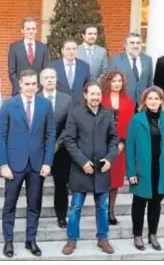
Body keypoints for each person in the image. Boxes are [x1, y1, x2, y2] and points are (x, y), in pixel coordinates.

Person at [0, 69, 55, 257]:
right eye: (27, 84)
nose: (31, 87)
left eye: (33, 84)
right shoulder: (9, 104)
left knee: (34, 204)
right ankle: (8, 241)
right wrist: (3, 164)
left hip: (37, 163)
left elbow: (50, 134)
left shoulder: (45, 105)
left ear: (37, 85)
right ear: (20, 84)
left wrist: (48, 162)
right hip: (14, 163)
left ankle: (31, 240)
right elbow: (1, 135)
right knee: (10, 204)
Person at [62, 81, 119, 255]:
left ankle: (103, 238)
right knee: (76, 207)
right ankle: (72, 239)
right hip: (81, 169)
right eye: (92, 94)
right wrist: (82, 162)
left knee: (102, 206)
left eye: (98, 94)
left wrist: (110, 158)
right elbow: (69, 140)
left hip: (101, 169)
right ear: (85, 95)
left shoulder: (107, 113)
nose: (95, 97)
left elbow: (114, 139)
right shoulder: (75, 113)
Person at [126, 86, 164, 251]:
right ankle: (137, 234)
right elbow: (130, 148)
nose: (153, 102)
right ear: (144, 101)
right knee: (139, 204)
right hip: (142, 169)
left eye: (156, 99)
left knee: (156, 203)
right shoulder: (137, 119)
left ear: (161, 101)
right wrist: (131, 172)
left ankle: (152, 234)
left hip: (161, 169)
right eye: (150, 99)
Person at [38, 68, 72, 228]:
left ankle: (61, 215)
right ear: (41, 80)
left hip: (61, 149)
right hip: (38, 149)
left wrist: (58, 144)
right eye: (46, 77)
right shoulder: (34, 98)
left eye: (52, 77)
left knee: (61, 184)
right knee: (36, 184)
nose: (49, 80)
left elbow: (70, 126)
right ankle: (35, 214)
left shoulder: (67, 100)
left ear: (56, 79)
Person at [99, 70, 135, 224]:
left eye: (119, 81)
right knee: (102, 180)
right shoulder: (101, 99)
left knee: (115, 181)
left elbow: (130, 126)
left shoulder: (128, 101)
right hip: (102, 145)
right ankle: (101, 211)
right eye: (113, 81)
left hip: (120, 147)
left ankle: (111, 212)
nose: (117, 84)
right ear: (108, 82)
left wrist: (122, 142)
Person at [108, 32, 153, 108]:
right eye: (132, 43)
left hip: (142, 105)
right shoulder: (115, 60)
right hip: (122, 104)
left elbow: (150, 82)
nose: (135, 45)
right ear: (125, 45)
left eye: (138, 43)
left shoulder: (147, 59)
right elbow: (109, 83)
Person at [8, 17, 50, 96]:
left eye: (33, 29)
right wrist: (21, 88)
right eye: (28, 29)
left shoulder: (43, 47)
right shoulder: (14, 47)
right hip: (19, 92)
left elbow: (45, 71)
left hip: (38, 92)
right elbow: (12, 72)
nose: (31, 31)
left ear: (36, 30)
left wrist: (38, 88)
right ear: (22, 31)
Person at [50, 38, 91, 106]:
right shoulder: (53, 66)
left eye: (74, 49)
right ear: (62, 50)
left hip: (79, 105)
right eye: (68, 49)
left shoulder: (84, 66)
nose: (71, 51)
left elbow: (87, 86)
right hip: (59, 105)